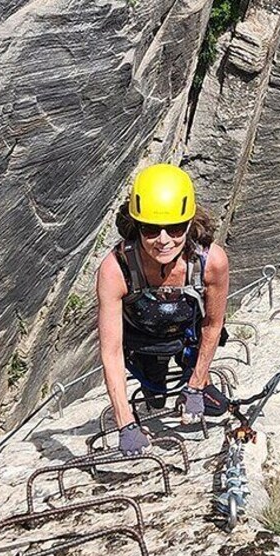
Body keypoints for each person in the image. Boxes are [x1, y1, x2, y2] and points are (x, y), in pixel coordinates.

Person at [96, 163, 230, 455]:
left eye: (176, 228)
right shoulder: (116, 269)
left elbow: (212, 324)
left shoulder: (210, 262)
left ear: (190, 223)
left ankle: (197, 381)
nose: (164, 240)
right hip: (141, 340)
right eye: (150, 229)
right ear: (137, 226)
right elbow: (111, 351)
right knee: (155, 397)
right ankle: (155, 388)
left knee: (217, 410)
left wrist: (195, 386)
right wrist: (125, 423)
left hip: (188, 334)